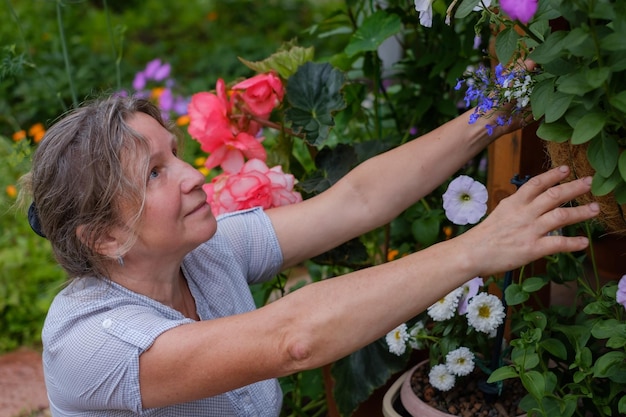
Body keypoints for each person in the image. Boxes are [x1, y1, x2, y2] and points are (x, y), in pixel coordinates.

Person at [22, 95, 598, 417]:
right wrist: (477, 249)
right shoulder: (91, 342)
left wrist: (495, 110)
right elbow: (291, 340)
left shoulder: (205, 253)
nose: (193, 175)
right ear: (103, 237)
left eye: (174, 154)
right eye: (154, 173)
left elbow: (356, 201)